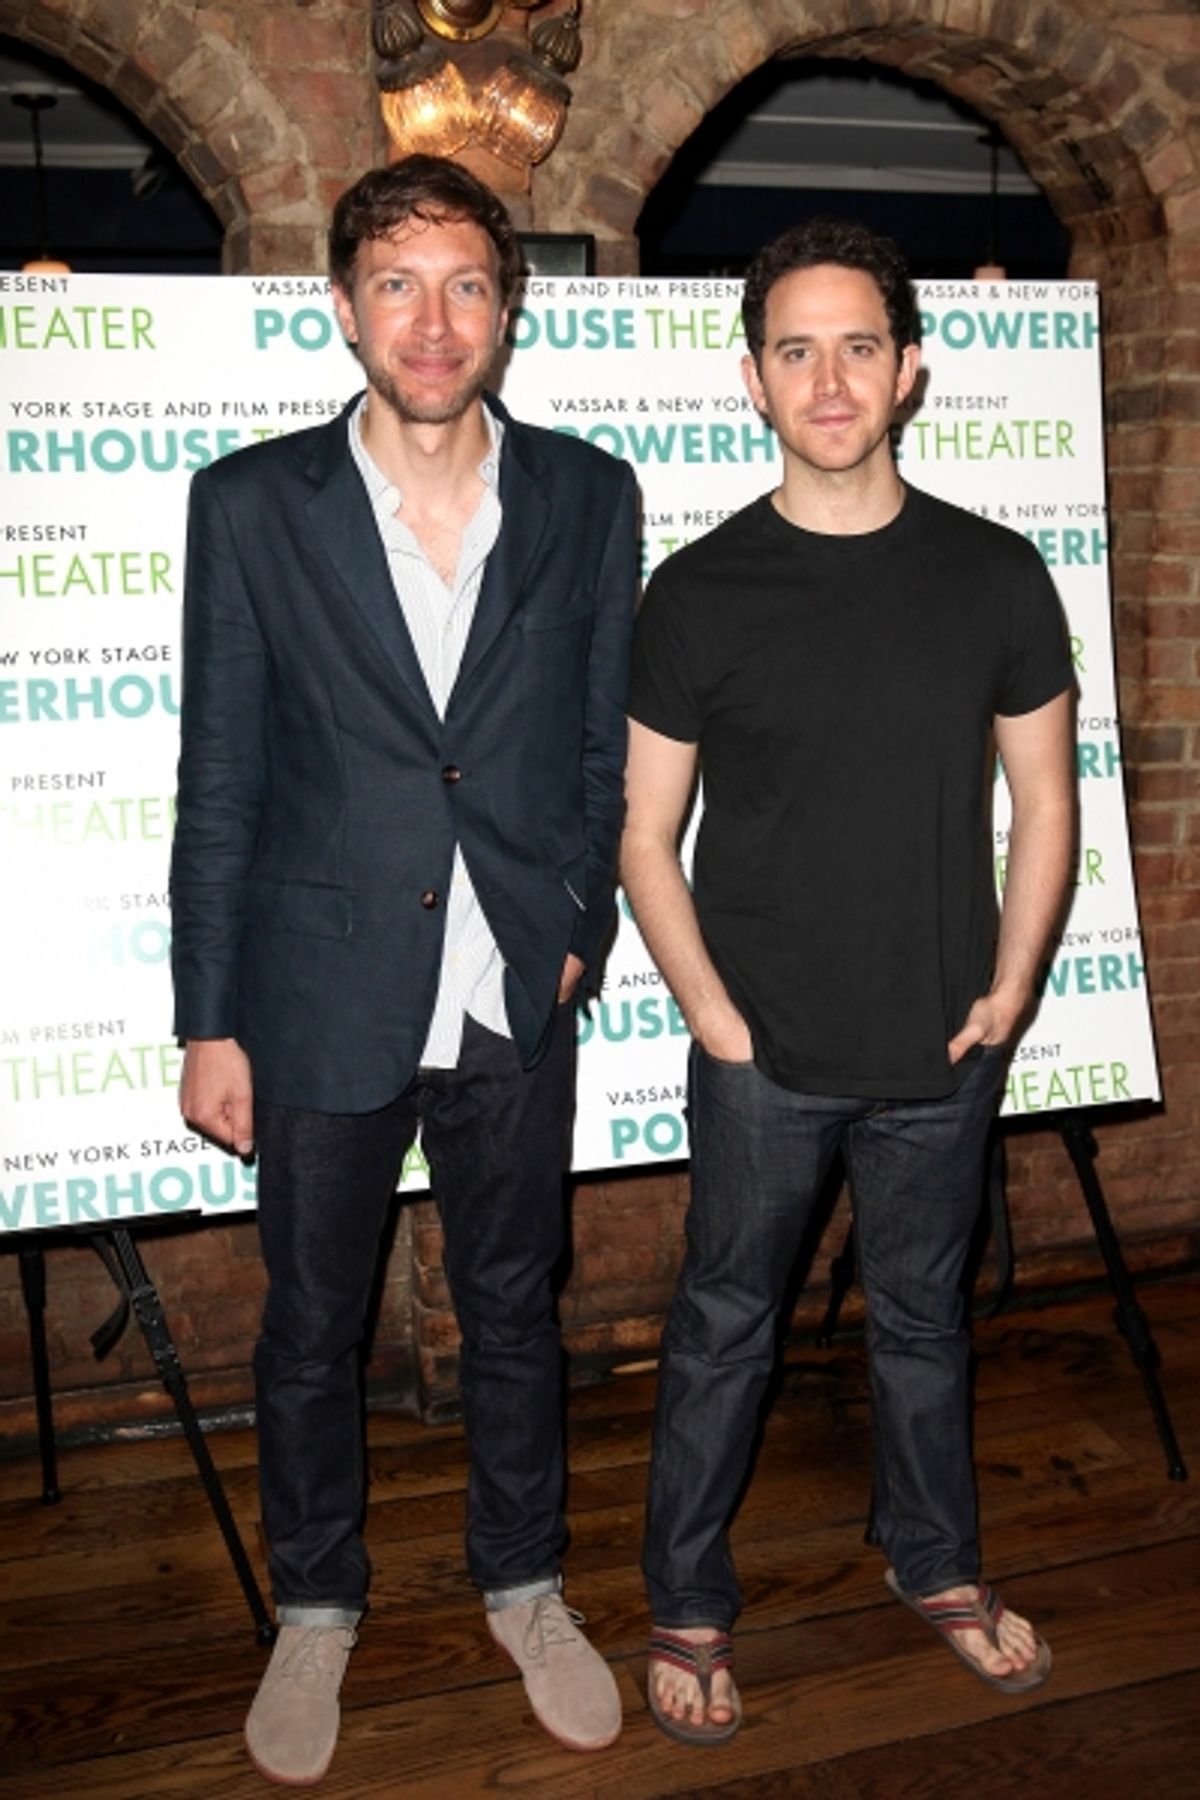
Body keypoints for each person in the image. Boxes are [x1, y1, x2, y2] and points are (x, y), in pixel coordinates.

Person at [170, 155, 637, 1785]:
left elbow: (601, 752)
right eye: (396, 283)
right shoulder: (247, 505)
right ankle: (316, 1609)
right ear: (344, 305)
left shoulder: (589, 494)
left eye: (465, 286)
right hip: (314, 985)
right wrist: (209, 1018)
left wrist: (577, 922)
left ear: (508, 310)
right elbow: (218, 776)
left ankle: (525, 1583)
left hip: (516, 981)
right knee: (310, 1325)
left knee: (517, 1306)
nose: (432, 323)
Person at [621, 217, 1074, 1745]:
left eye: (858, 345)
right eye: (796, 349)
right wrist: (715, 1018)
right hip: (766, 1052)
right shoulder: (696, 592)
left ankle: (935, 1564)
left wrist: (1008, 994)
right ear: (753, 378)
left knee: (927, 1320)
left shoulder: (999, 573)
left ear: (911, 370)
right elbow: (642, 832)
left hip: (945, 1040)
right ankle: (686, 1593)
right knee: (724, 1322)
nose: (829, 377)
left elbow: (1047, 804)